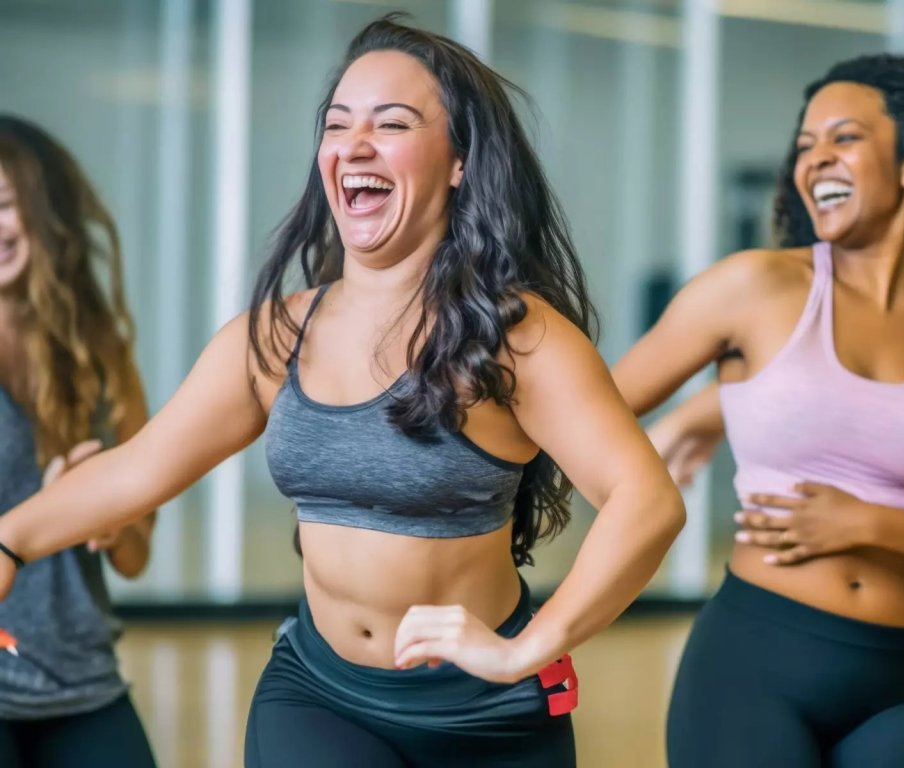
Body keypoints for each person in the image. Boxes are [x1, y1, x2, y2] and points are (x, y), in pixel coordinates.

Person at [0, 17, 685, 768]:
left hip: (487, 714)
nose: (354, 144)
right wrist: (11, 540)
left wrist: (535, 645)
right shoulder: (275, 337)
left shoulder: (515, 337)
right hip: (318, 696)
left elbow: (645, 500)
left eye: (391, 124)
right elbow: (138, 469)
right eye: (337, 124)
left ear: (459, 162)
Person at [613, 54, 904, 767]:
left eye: (844, 137)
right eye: (805, 144)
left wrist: (867, 522)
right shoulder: (754, 286)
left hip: (898, 690)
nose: (816, 158)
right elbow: (586, 412)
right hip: (755, 666)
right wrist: (644, 495)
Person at [0, 117, 157, 767]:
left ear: (47, 215)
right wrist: (42, 512)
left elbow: (135, 556)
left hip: (80, 678)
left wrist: (103, 519)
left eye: (5, 204)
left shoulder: (102, 354)